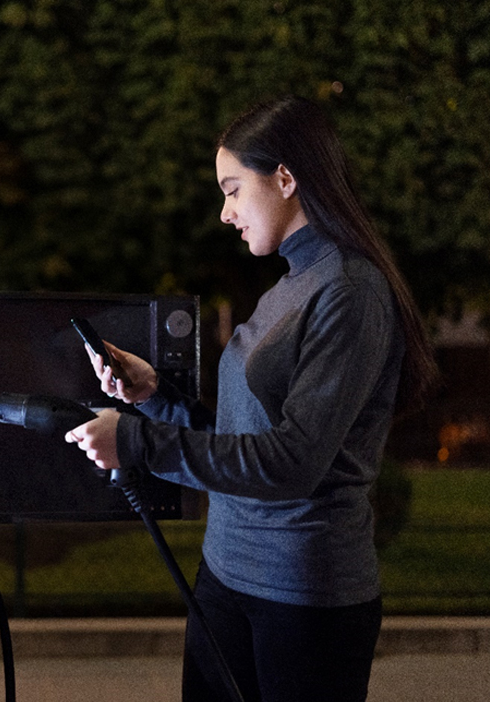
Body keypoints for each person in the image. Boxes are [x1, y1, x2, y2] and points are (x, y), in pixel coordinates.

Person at [65, 95, 437, 702]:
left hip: (302, 598)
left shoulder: (349, 292)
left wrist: (135, 440)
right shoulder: (291, 286)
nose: (225, 212)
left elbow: (292, 462)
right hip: (226, 576)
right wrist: (155, 397)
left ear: (286, 178)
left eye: (233, 189)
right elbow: (245, 441)